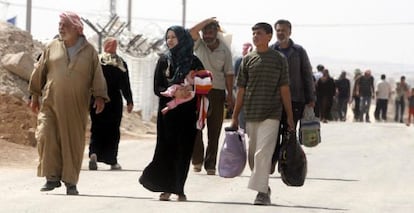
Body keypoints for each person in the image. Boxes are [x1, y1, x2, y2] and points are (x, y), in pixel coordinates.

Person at [28, 11, 109, 195]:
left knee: (72, 141)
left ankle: (70, 181)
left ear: (76, 28)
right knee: (46, 134)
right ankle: (52, 177)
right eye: (60, 24)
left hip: (76, 105)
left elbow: (97, 76)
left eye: (65, 25)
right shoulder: (51, 46)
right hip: (50, 101)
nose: (61, 28)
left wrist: (99, 96)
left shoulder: (89, 52)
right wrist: (34, 95)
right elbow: (39, 71)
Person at [229, 22, 293, 205]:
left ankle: (262, 194)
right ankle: (264, 186)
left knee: (262, 154)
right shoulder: (247, 60)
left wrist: (289, 115)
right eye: (254, 34)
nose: (255, 37)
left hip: (272, 113)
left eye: (259, 33)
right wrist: (234, 116)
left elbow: (284, 89)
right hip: (251, 113)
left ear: (269, 36)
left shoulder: (279, 59)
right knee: (252, 157)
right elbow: (240, 90)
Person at [139, 25, 205, 202]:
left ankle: (179, 189)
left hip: (187, 113)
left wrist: (190, 89)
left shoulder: (194, 62)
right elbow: (157, 87)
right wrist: (173, 92)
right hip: (168, 114)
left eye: (174, 37)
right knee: (166, 149)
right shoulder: (163, 61)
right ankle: (165, 187)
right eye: (168, 37)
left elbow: (205, 83)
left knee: (184, 150)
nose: (169, 41)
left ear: (182, 39)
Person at [269, 19, 316, 172]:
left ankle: (287, 164)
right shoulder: (270, 50)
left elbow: (307, 74)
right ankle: (273, 161)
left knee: (289, 133)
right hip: (275, 101)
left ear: (290, 32)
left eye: (283, 30)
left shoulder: (299, 52)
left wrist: (310, 98)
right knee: (273, 133)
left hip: (296, 100)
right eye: (278, 30)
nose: (280, 33)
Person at [189, 17, 234, 175]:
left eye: (211, 31)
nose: (207, 35)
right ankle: (197, 160)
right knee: (196, 127)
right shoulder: (199, 45)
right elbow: (191, 32)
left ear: (216, 32)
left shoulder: (225, 50)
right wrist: (206, 20)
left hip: (217, 91)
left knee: (214, 130)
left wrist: (230, 94)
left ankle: (210, 164)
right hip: (198, 90)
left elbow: (229, 73)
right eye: (205, 32)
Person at [88, 37, 134, 171]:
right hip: (113, 101)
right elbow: (125, 84)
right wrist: (129, 100)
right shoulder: (119, 63)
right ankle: (111, 160)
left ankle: (94, 153)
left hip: (97, 99)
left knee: (97, 128)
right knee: (112, 130)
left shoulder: (97, 61)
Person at [233, 42, 253, 130]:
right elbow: (235, 76)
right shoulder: (239, 61)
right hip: (240, 89)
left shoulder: (254, 59)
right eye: (244, 49)